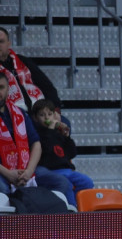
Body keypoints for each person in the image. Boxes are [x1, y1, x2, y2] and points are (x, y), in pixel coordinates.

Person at [0, 72, 75, 204]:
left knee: (62, 183)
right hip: (3, 171)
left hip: (26, 170)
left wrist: (29, 171)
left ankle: (62, 223)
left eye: (1, 87)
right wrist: (8, 174)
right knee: (3, 188)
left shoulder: (19, 113)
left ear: (8, 89)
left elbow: (36, 144)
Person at [30, 99, 94, 205]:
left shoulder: (58, 133)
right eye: (42, 115)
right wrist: (50, 130)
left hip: (66, 169)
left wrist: (67, 137)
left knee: (87, 182)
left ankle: (77, 206)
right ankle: (70, 212)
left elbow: (72, 153)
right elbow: (47, 149)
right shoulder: (37, 134)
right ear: (35, 118)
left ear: (54, 116)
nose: (47, 118)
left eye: (49, 114)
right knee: (66, 184)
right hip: (49, 170)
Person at [0, 26, 62, 114]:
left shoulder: (23, 61)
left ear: (8, 44)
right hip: (11, 114)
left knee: (64, 122)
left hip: (39, 112)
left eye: (1, 42)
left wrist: (55, 110)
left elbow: (46, 86)